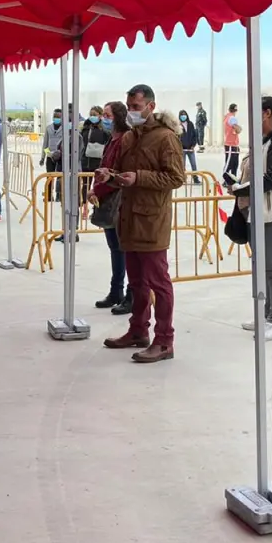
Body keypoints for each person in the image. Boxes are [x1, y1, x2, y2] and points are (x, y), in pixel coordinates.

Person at [100, 85, 186, 363]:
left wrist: (139, 178)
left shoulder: (166, 138)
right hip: (128, 218)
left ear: (151, 106)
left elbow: (176, 178)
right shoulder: (130, 137)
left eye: (136, 107)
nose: (131, 112)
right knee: (136, 282)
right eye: (129, 107)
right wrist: (111, 176)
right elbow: (125, 174)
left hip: (151, 222)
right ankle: (138, 330)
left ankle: (164, 340)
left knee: (158, 283)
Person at [230, 96, 272, 340]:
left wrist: (240, 189)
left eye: (255, 111)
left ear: (267, 113)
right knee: (263, 266)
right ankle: (266, 314)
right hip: (261, 211)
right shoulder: (265, 139)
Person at [91, 102, 133, 316]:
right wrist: (95, 189)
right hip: (106, 197)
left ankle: (130, 295)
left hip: (119, 198)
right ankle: (116, 290)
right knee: (115, 248)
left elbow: (118, 171)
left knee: (126, 249)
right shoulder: (112, 138)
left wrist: (100, 187)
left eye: (108, 115)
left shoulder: (126, 138)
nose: (104, 119)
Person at [178, 108, 201, 182]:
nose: (183, 116)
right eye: (181, 115)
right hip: (182, 149)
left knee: (193, 164)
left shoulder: (190, 124)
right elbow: (176, 137)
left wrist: (193, 145)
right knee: (182, 165)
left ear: (186, 115)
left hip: (190, 149)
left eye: (184, 114)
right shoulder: (177, 125)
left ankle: (195, 178)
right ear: (179, 116)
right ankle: (183, 178)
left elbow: (194, 135)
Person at [223, 103, 242, 178]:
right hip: (231, 144)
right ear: (236, 110)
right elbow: (238, 129)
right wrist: (240, 128)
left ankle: (233, 180)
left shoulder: (227, 117)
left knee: (234, 164)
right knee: (229, 165)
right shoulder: (232, 118)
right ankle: (225, 180)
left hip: (232, 144)